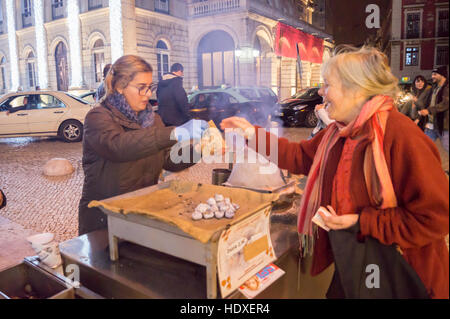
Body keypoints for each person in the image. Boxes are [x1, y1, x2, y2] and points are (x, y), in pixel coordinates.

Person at [221, 46, 449, 299]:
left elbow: (435, 218)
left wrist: (360, 221)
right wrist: (251, 134)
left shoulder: (402, 136)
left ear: (357, 89)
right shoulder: (338, 133)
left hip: (401, 273)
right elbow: (300, 157)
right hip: (354, 260)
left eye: (328, 85)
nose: (321, 92)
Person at [79, 55, 208, 235]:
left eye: (150, 87)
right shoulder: (98, 117)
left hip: (141, 213)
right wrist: (174, 133)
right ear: (119, 87)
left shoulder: (153, 120)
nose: (148, 94)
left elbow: (169, 160)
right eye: (141, 88)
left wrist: (201, 149)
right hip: (105, 218)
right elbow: (119, 147)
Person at [418, 66, 449, 153]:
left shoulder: (447, 87)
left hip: (443, 125)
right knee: (423, 146)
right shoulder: (434, 88)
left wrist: (429, 110)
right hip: (431, 124)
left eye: (435, 74)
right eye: (432, 74)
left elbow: (445, 103)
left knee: (447, 147)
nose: (432, 76)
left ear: (442, 75)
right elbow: (427, 102)